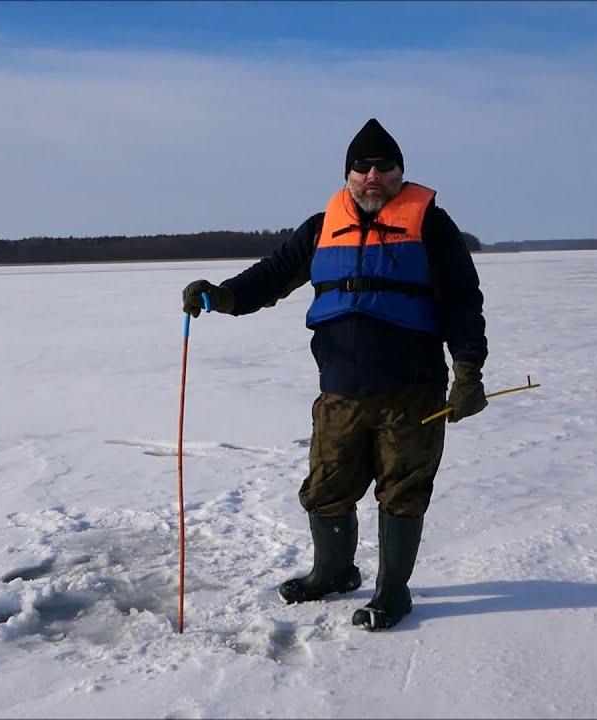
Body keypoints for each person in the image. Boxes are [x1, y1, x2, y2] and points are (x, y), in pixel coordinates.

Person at [180, 118, 489, 631]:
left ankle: (393, 592)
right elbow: (273, 275)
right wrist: (222, 296)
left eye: (384, 167)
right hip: (340, 392)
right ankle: (333, 573)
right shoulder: (322, 225)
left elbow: (462, 302)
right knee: (326, 488)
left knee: (401, 492)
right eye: (361, 167)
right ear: (347, 175)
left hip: (412, 393)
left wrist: (469, 372)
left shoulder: (433, 225)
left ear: (400, 172)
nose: (373, 176)